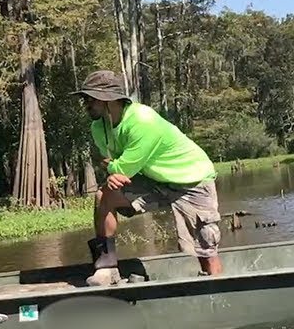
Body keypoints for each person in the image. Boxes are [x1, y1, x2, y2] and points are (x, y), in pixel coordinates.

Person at [73, 70, 223, 285]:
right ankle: (107, 267)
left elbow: (122, 167)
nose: (85, 104)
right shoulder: (98, 127)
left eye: (89, 99)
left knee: (205, 247)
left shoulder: (143, 120)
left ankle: (218, 290)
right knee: (105, 195)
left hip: (192, 180)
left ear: (107, 99)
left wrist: (115, 169)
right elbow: (112, 165)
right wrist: (114, 170)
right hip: (155, 180)